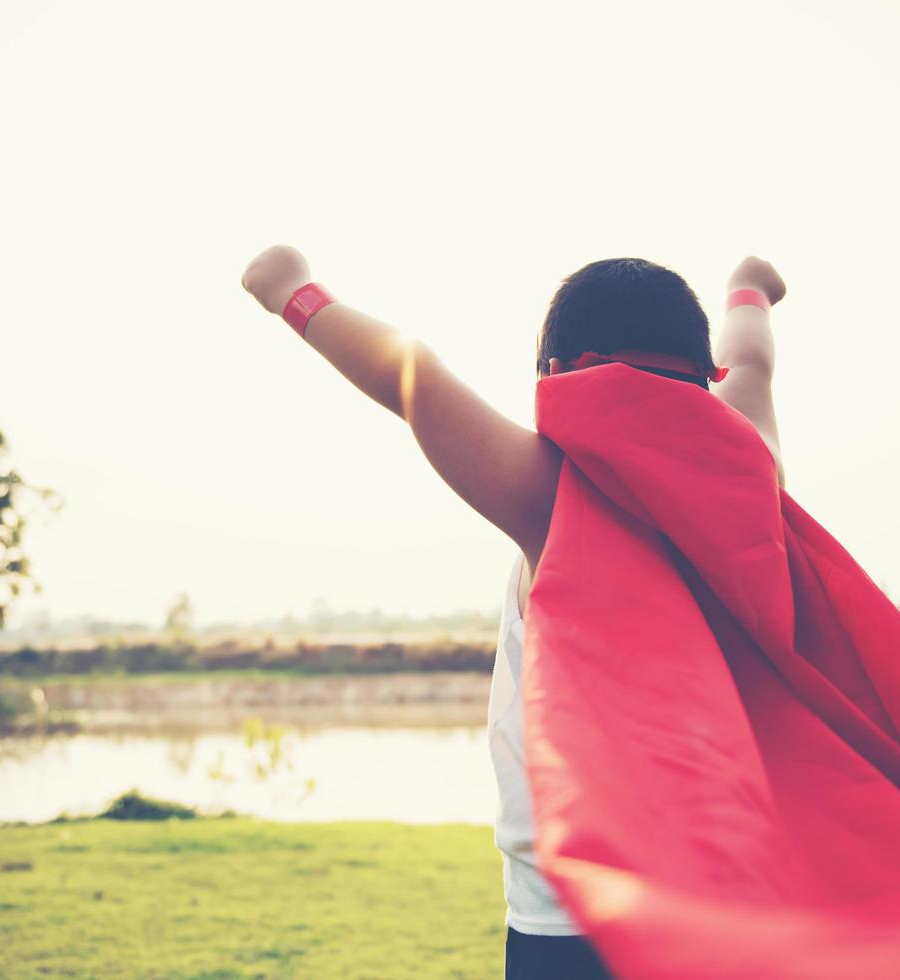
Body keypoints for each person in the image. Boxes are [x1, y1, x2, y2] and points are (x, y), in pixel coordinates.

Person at [240, 246, 787, 979]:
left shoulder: (552, 499)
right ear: (703, 379)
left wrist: (290, 291)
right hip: (728, 907)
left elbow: (414, 383)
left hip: (572, 922)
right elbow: (750, 367)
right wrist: (746, 290)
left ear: (557, 378)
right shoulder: (752, 477)